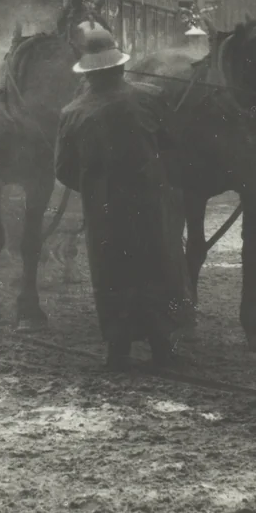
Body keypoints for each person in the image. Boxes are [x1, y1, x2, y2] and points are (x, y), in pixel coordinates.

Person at [54, 27, 191, 371]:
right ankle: (163, 348)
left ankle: (118, 350)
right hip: (151, 204)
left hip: (103, 210)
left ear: (88, 72)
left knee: (111, 273)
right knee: (159, 269)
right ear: (119, 67)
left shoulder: (72, 112)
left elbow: (63, 170)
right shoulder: (150, 98)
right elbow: (174, 144)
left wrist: (92, 186)